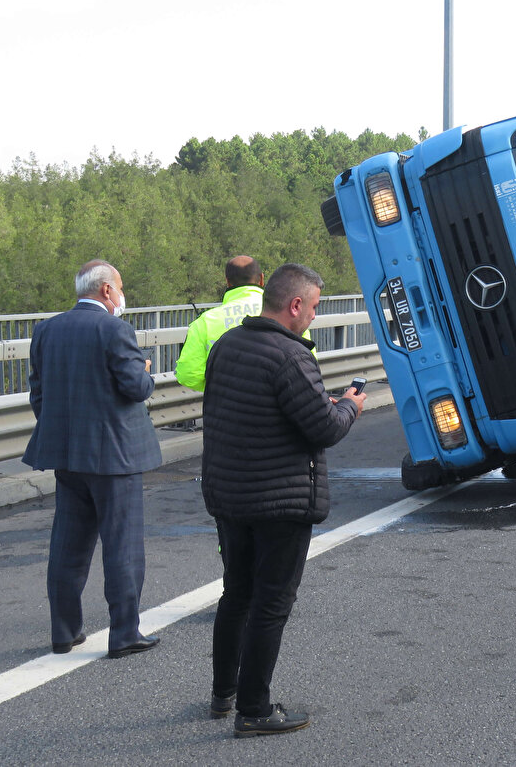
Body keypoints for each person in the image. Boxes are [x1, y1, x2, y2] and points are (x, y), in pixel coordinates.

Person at [201, 263, 366, 737]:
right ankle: (255, 709)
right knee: (271, 605)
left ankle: (223, 695)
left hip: (231, 496)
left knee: (237, 595)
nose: (314, 316)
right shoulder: (291, 357)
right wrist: (349, 405)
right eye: (314, 307)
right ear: (295, 305)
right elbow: (324, 427)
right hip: (281, 503)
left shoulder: (226, 345)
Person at [23, 260, 162, 657]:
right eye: (120, 288)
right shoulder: (114, 329)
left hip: (68, 454)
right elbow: (136, 388)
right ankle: (124, 634)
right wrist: (146, 370)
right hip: (114, 457)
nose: (122, 296)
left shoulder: (46, 329)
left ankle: (64, 632)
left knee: (68, 546)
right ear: (106, 290)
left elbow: (39, 393)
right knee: (122, 546)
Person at [176, 256, 267, 391]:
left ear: (228, 282)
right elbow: (307, 363)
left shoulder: (205, 321)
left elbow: (188, 375)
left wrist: (221, 389)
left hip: (225, 408)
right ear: (261, 279)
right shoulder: (286, 315)